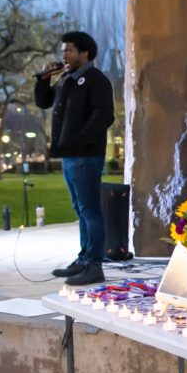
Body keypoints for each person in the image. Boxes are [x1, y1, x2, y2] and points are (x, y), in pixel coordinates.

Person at [35, 31, 115, 286]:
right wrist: (43, 79)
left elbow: (104, 116)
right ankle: (83, 258)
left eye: (69, 50)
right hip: (69, 155)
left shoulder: (95, 79)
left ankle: (94, 264)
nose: (64, 56)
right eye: (63, 51)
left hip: (86, 155)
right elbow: (43, 102)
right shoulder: (67, 79)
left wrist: (80, 138)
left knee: (91, 210)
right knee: (80, 209)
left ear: (85, 53)